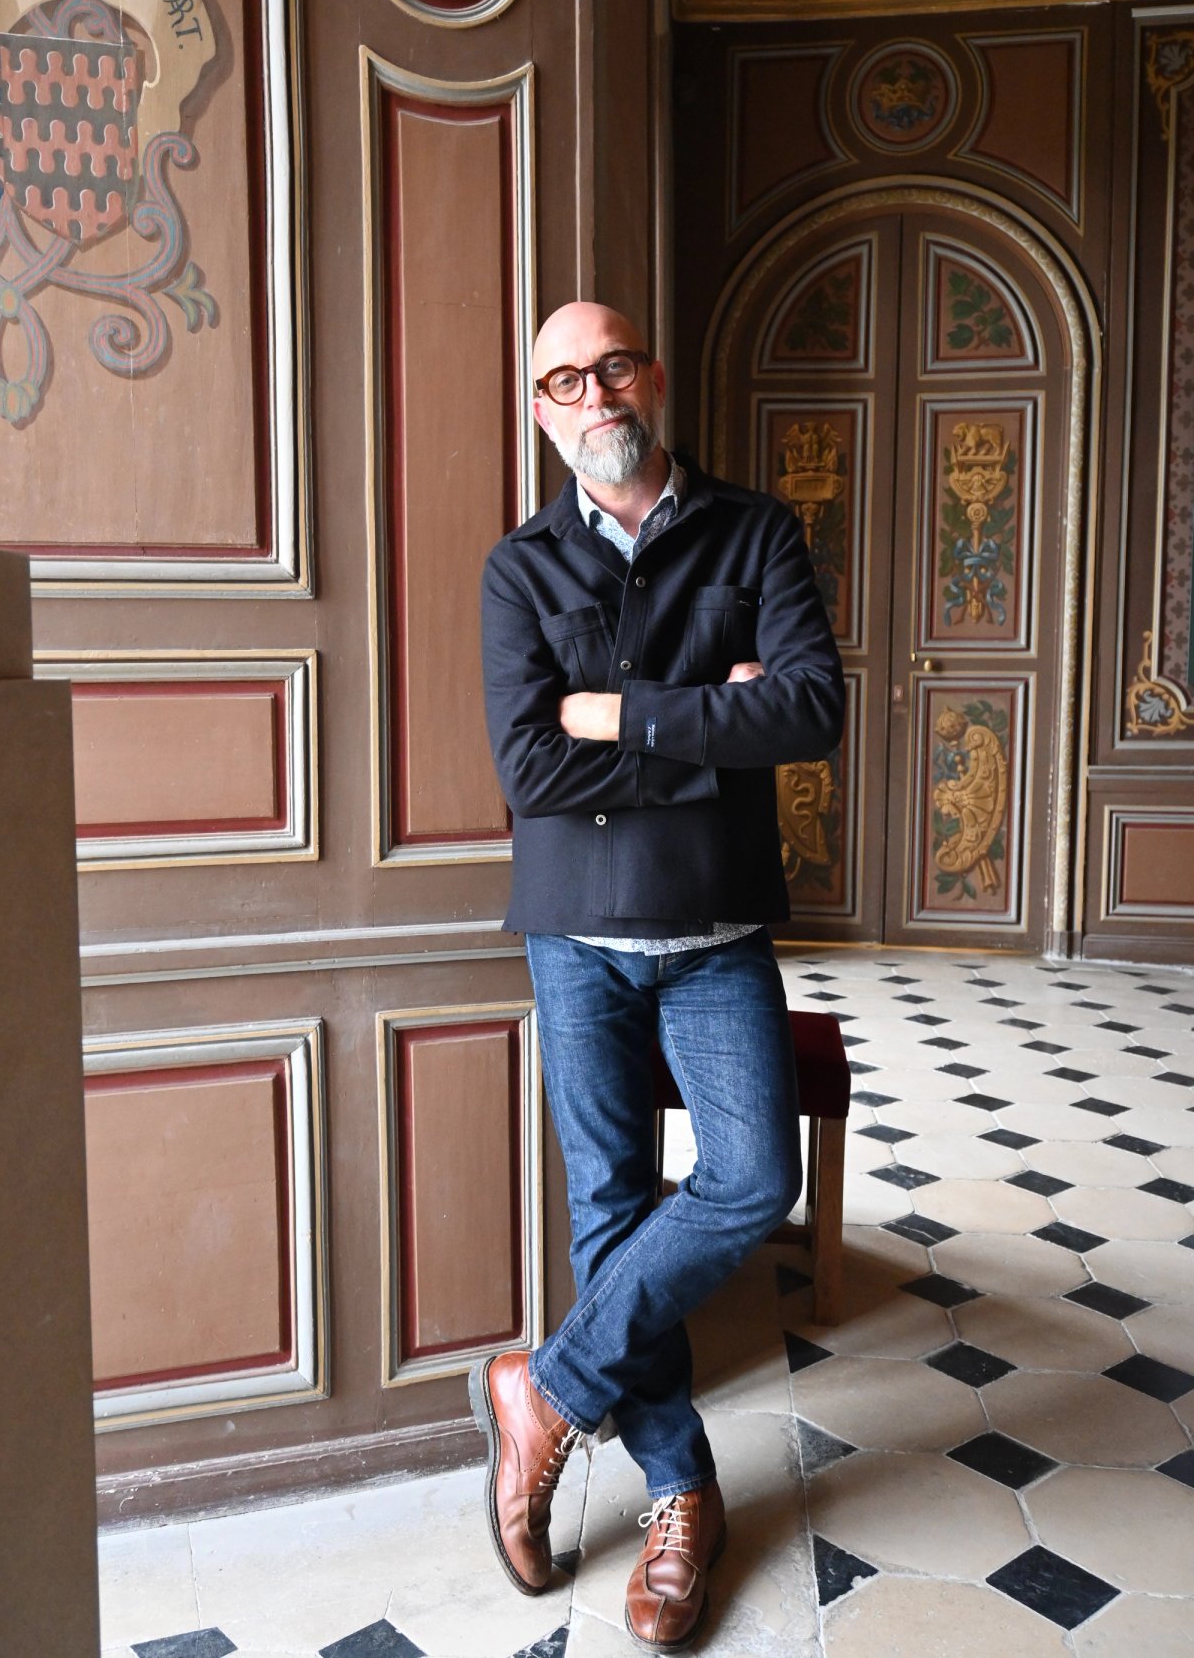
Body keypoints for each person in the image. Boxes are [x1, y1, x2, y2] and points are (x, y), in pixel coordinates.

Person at [470, 300, 844, 1651]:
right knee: (612, 1212)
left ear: (653, 375)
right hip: (575, 937)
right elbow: (531, 772)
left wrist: (619, 709)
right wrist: (710, 723)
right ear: (541, 410)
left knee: (752, 1178)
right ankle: (682, 1494)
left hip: (715, 930)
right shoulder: (519, 572)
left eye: (610, 364)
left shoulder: (755, 532)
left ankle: (544, 1391)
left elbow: (809, 709)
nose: (593, 391)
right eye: (562, 378)